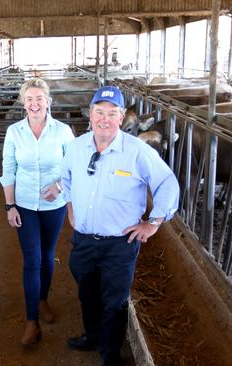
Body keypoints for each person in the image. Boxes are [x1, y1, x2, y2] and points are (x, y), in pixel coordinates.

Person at [60, 86, 179, 365]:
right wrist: (69, 205)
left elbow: (167, 183)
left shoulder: (137, 151)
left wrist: (154, 222)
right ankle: (92, 336)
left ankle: (110, 356)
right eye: (99, 112)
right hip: (84, 240)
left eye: (112, 113)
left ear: (122, 116)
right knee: (87, 294)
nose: (104, 119)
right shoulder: (76, 148)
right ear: (90, 114)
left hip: (119, 244)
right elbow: (65, 178)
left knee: (114, 302)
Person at [0, 78, 75, 345]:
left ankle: (42, 298)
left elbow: (72, 167)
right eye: (29, 99)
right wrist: (10, 206)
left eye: (39, 99)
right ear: (23, 102)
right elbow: (8, 170)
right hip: (25, 204)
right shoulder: (15, 132)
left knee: (47, 255)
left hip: (53, 205)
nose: (34, 104)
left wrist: (59, 186)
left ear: (48, 101)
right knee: (32, 259)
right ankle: (32, 321)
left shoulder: (63, 131)